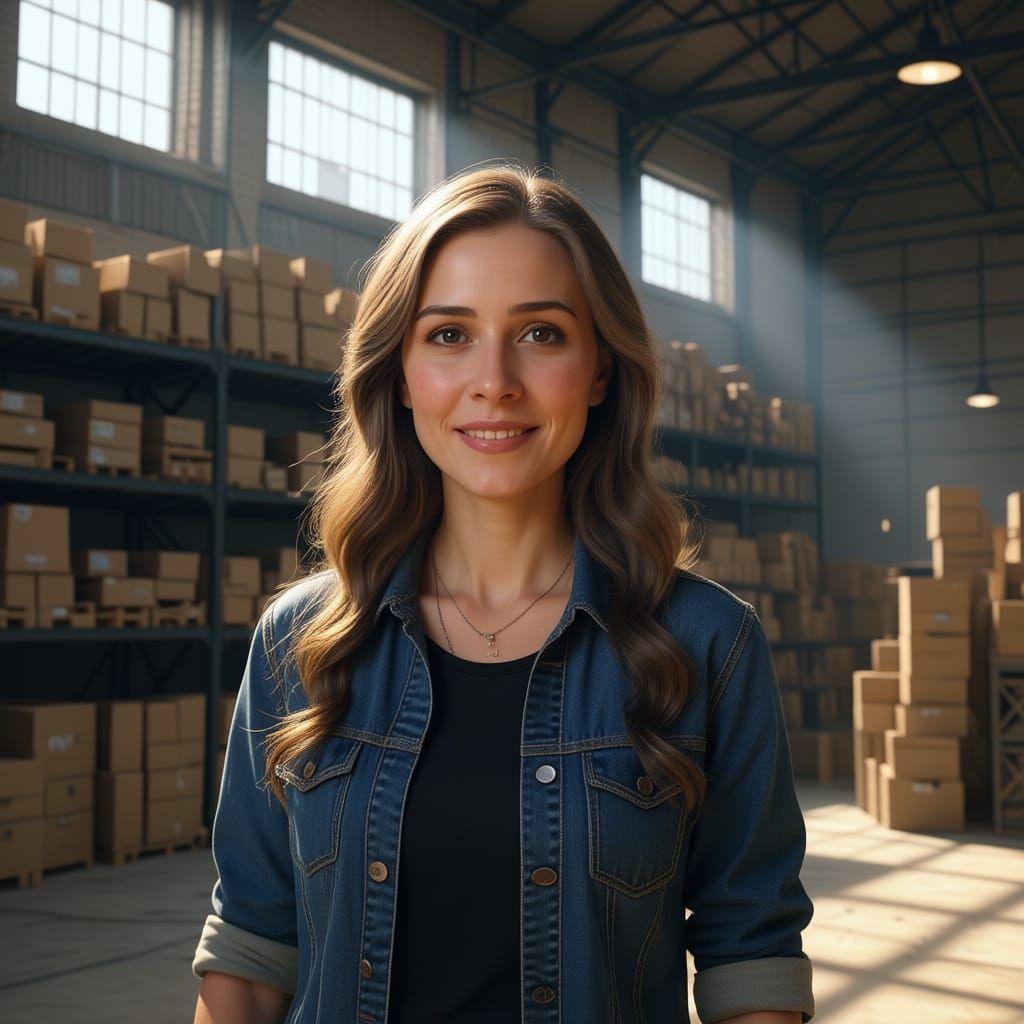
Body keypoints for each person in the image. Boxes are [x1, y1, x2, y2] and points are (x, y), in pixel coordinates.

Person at [192, 163, 815, 1024]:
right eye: (449, 334)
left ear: (600, 371)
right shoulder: (299, 641)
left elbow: (752, 960)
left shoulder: (708, 643)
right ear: (399, 373)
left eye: (541, 334)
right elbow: (250, 954)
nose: (494, 380)